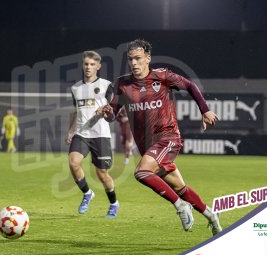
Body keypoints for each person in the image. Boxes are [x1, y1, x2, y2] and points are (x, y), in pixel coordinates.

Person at [102, 39, 222, 235]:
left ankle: (181, 206)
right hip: (147, 146)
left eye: (138, 58)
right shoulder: (122, 84)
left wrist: (205, 110)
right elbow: (112, 115)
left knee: (141, 173)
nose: (134, 63)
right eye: (130, 59)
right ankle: (211, 216)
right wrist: (106, 112)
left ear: (148, 58)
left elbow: (190, 85)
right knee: (181, 187)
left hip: (168, 137)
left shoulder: (162, 76)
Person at [66, 50, 119, 218]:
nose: (88, 67)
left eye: (91, 64)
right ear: (83, 65)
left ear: (98, 66)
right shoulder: (75, 88)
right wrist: (70, 130)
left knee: (102, 173)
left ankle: (113, 203)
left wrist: (105, 111)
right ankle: (87, 193)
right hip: (82, 133)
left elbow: (112, 114)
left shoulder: (106, 85)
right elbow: (76, 111)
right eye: (86, 64)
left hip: (100, 135)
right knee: (73, 162)